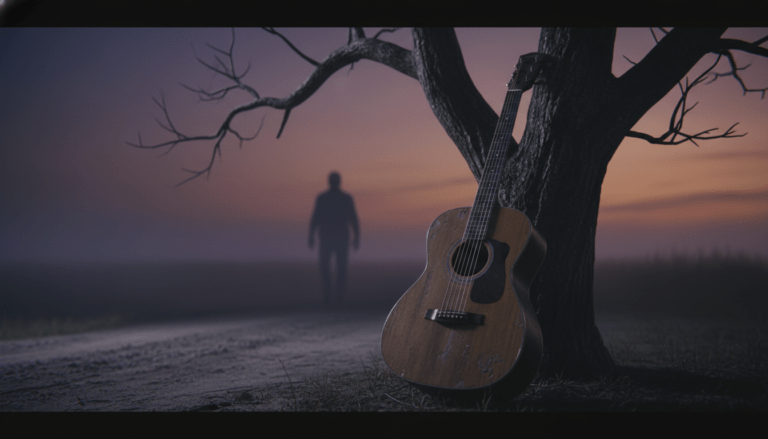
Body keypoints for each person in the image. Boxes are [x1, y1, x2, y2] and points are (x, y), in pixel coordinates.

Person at [309, 172, 360, 305]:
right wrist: (356, 237)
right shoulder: (342, 198)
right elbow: (353, 218)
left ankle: (334, 297)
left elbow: (315, 218)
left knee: (334, 268)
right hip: (333, 238)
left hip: (334, 238)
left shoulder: (326, 198)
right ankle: (334, 297)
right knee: (333, 268)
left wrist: (311, 236)